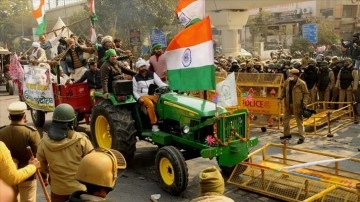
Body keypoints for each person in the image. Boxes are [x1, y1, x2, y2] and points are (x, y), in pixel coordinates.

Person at [36, 104, 94, 202]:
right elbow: (92, 162)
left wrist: (45, 178)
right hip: (79, 190)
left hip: (58, 191)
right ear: (72, 121)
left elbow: (41, 166)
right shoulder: (81, 140)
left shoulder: (44, 142)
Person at [0, 101, 41, 202]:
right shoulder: (31, 132)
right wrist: (43, 176)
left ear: (10, 117)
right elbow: (38, 157)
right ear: (24, 116)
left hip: (7, 178)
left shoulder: (2, 132)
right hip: (28, 176)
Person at [133, 59, 168, 132]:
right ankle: (154, 124)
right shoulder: (135, 78)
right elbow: (135, 91)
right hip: (143, 96)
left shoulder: (152, 74)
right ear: (138, 68)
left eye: (144, 66)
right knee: (150, 104)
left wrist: (169, 87)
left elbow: (160, 84)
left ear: (146, 66)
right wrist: (139, 98)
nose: (143, 68)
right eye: (141, 67)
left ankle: (164, 123)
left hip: (153, 95)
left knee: (162, 101)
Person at [278, 68, 310, 144]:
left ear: (296, 75)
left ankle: (302, 137)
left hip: (298, 106)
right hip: (288, 105)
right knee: (285, 121)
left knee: (299, 122)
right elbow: (283, 91)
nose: (289, 76)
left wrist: (304, 103)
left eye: (291, 75)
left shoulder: (302, 83)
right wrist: (280, 98)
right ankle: (287, 135)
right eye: (289, 75)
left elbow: (306, 94)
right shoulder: (287, 82)